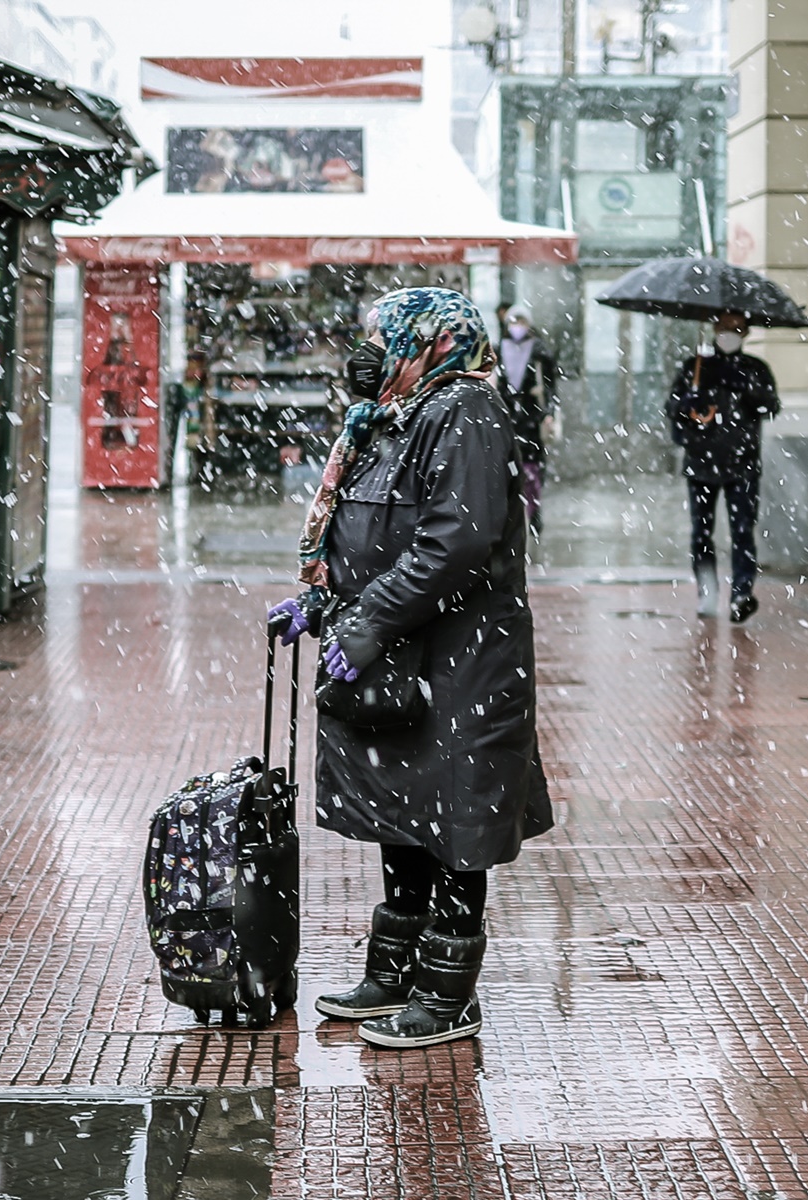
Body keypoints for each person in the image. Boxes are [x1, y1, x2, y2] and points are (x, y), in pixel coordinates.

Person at [267, 288, 552, 1050]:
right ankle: (393, 975)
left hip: (461, 661)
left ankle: (449, 994)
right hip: (408, 657)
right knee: (408, 814)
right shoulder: (394, 416)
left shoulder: (463, 409)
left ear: (427, 343)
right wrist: (324, 607)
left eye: (381, 337)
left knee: (455, 820)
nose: (367, 352)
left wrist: (368, 621)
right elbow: (376, 536)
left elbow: (454, 542)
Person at [667, 311, 780, 623]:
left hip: (742, 463)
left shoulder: (755, 369)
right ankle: (707, 587)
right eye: (724, 327)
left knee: (742, 531)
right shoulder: (696, 367)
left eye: (736, 328)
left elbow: (770, 406)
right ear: (714, 328)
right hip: (701, 461)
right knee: (701, 531)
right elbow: (673, 407)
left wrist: (746, 387)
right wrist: (689, 401)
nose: (728, 333)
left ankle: (742, 592)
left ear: (745, 333)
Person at [495, 305, 560, 536]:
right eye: (513, 322)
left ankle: (534, 511)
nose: (517, 327)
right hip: (507, 418)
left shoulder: (540, 352)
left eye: (521, 321)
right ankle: (511, 513)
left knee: (532, 469)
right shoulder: (497, 350)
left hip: (532, 418)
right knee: (507, 467)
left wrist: (549, 412)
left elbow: (552, 387)